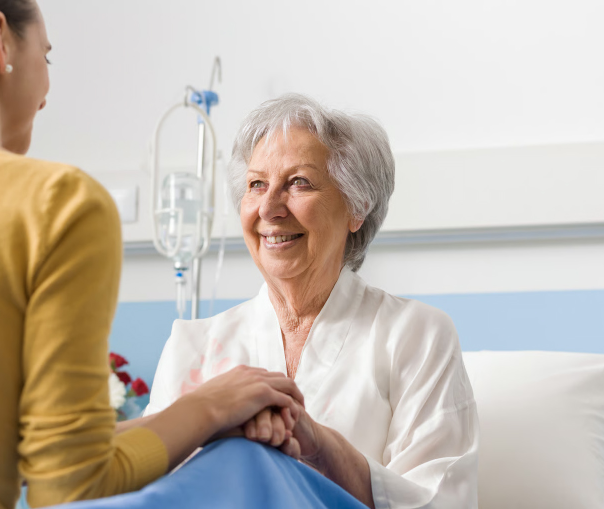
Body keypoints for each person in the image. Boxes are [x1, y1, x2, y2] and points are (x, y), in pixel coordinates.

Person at [0, 2, 305, 508]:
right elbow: (71, 489)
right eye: (48, 57)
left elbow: (13, 458)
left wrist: (196, 414)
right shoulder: (55, 204)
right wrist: (209, 408)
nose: (46, 89)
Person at [145, 94, 480, 508]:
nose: (268, 208)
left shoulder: (415, 334)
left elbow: (441, 501)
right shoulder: (192, 344)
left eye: (298, 182)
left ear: (357, 206)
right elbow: (148, 488)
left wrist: (317, 443)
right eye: (256, 184)